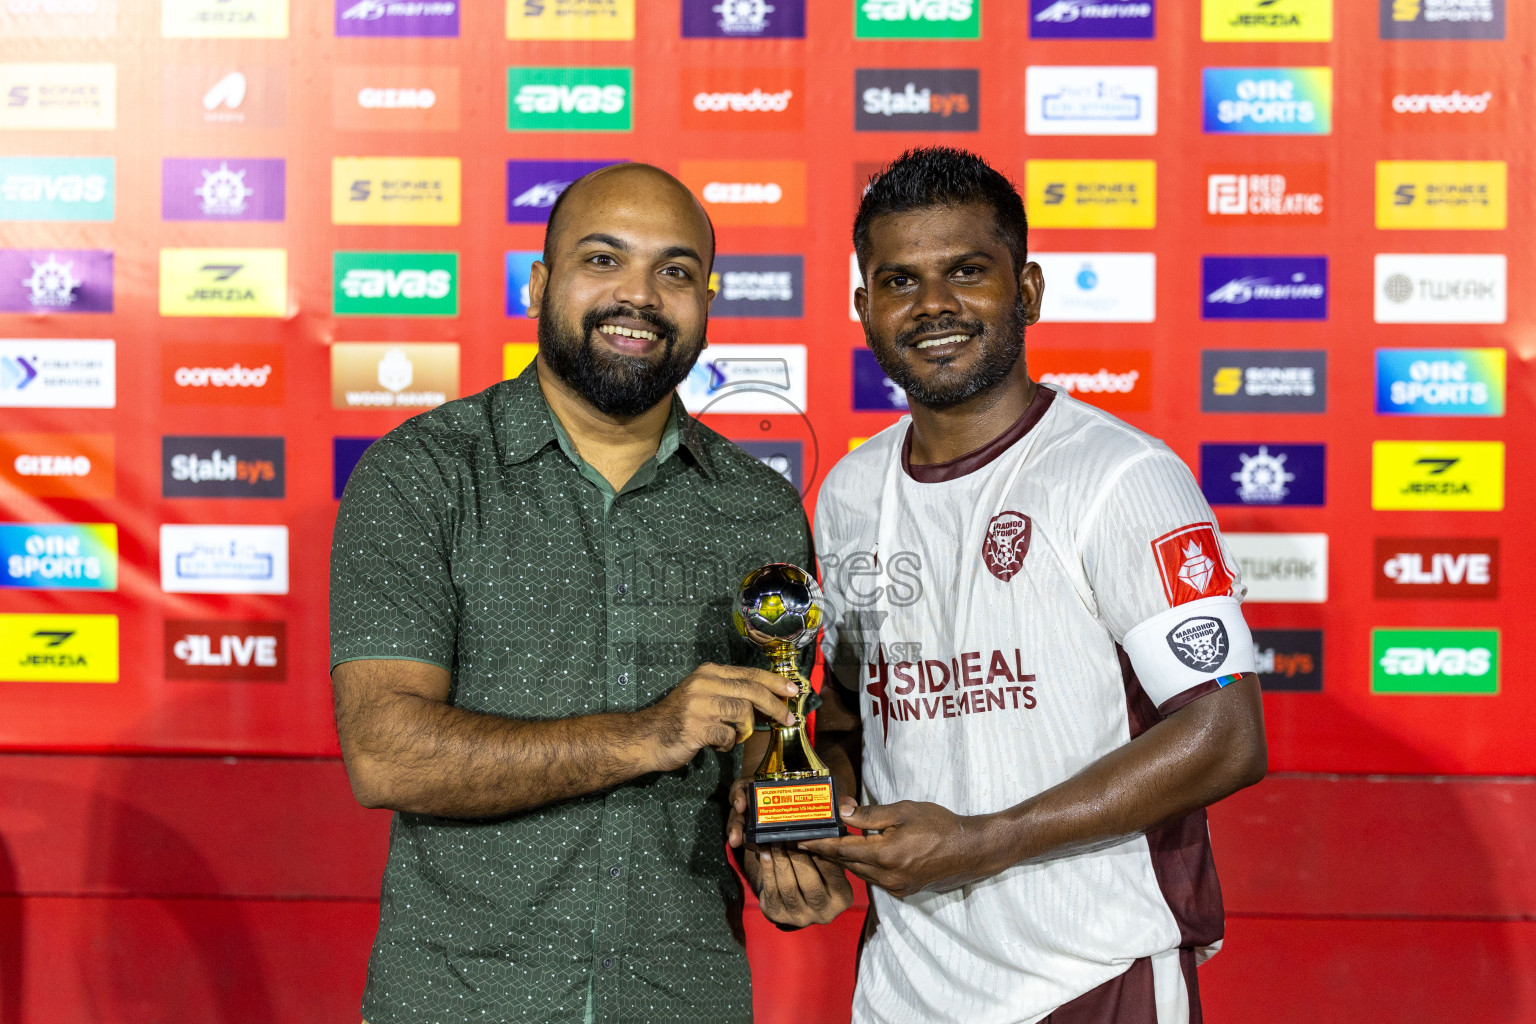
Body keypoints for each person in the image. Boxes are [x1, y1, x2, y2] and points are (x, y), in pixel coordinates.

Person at [737, 147, 1269, 1022]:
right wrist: (803, 828)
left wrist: (987, 841)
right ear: (864, 309)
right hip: (906, 988)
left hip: (1092, 978)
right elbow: (843, 717)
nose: (933, 305)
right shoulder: (850, 492)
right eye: (900, 281)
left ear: (1026, 290)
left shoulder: (1119, 474)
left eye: (966, 272)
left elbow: (1226, 734)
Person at [330, 162, 813, 1024]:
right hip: (463, 1003)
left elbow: (774, 742)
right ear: (539, 285)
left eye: (674, 271)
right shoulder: (423, 474)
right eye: (603, 260)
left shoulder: (758, 508)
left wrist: (791, 849)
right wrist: (647, 733)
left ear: (707, 302)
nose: (639, 296)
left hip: (683, 998)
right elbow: (385, 752)